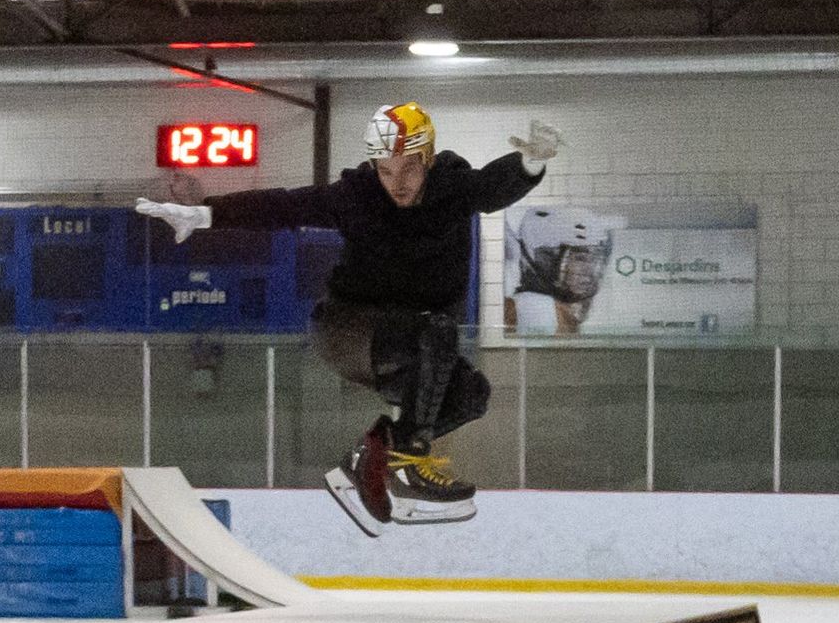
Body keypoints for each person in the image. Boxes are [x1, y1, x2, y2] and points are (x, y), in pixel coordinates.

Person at [136, 103, 561, 534]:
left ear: (428, 160)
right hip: (348, 329)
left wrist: (530, 163)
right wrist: (207, 213)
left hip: (413, 342)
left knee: (470, 394)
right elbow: (287, 206)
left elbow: (490, 188)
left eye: (409, 170)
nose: (397, 183)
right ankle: (406, 465)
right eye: (386, 171)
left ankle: (370, 457)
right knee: (436, 330)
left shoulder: (452, 188)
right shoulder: (358, 196)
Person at [504, 204, 615, 335]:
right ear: (546, 259)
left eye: (594, 259)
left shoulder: (564, 314)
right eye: (580, 258)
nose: (589, 270)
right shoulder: (534, 308)